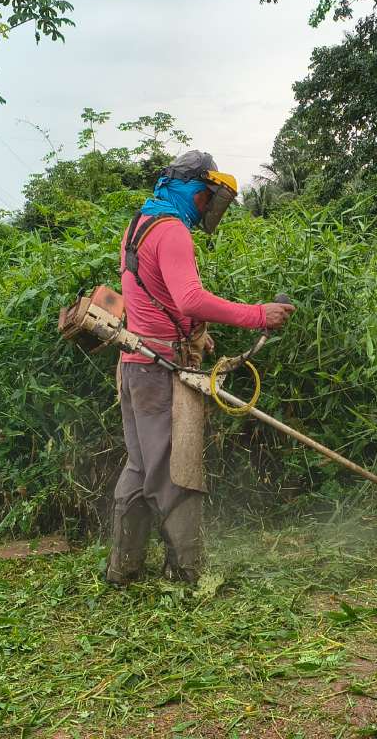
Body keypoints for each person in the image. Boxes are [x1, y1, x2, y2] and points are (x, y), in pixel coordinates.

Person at [108, 150, 294, 586]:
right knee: (177, 469)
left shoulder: (140, 224)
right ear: (193, 190)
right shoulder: (172, 232)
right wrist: (258, 314)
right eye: (207, 197)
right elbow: (189, 297)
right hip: (158, 371)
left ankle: (123, 567)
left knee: (139, 465)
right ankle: (187, 573)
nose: (209, 207)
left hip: (135, 364)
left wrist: (192, 331)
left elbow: (150, 295)